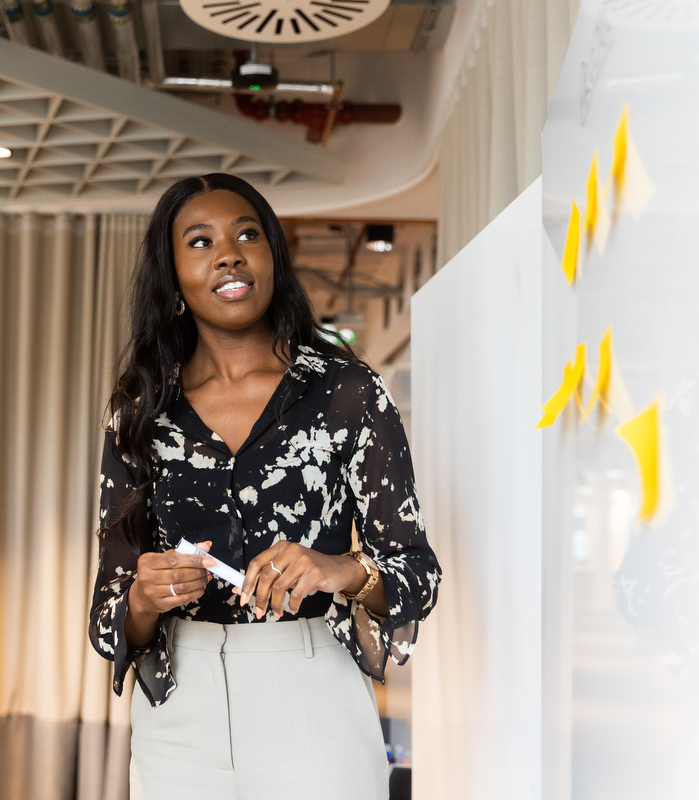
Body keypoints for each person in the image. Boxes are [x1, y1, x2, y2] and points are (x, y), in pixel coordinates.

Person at [88, 173, 442, 800]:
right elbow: (107, 618)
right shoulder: (141, 411)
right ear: (172, 276)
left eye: (247, 235)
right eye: (200, 242)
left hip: (313, 700)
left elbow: (419, 576)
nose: (228, 254)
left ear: (273, 256)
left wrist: (342, 570)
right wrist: (143, 597)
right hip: (179, 712)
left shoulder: (346, 393)